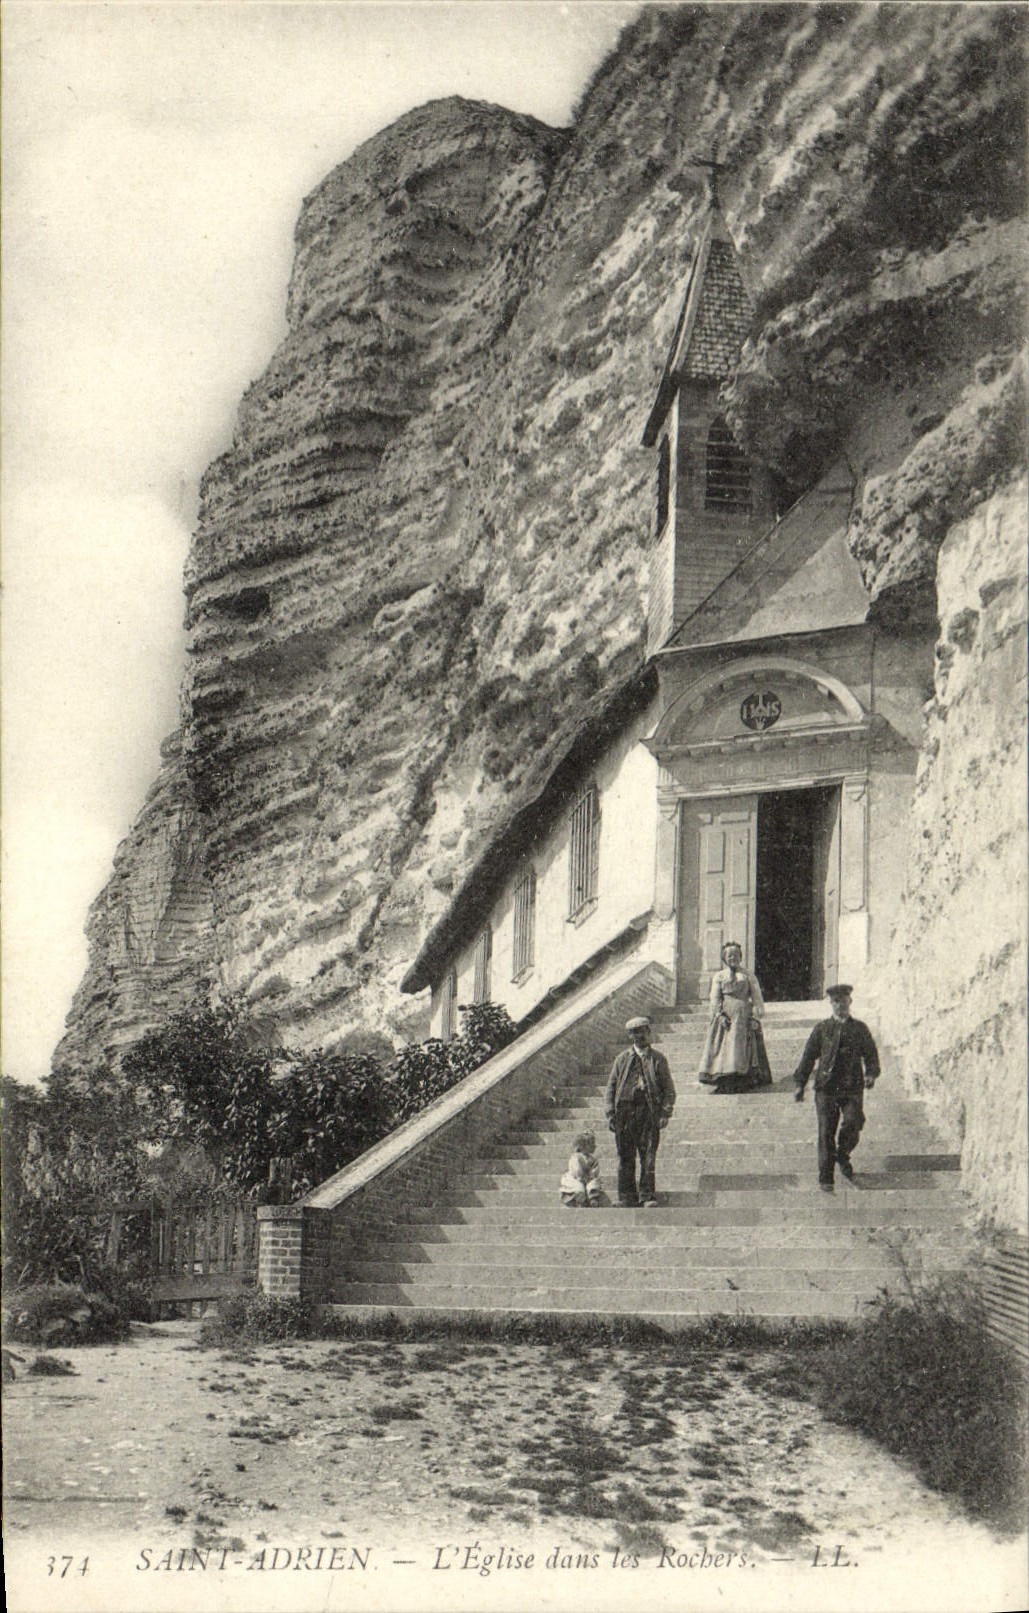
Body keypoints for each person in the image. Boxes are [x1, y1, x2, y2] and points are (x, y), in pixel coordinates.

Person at [793, 984, 880, 1192]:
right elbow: (808, 1057)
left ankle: (843, 1154)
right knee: (826, 1131)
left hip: (852, 1087)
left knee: (853, 1122)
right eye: (836, 1001)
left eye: (844, 1000)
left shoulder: (859, 1028)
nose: (840, 1005)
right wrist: (800, 1083)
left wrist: (871, 1074)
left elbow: (871, 1055)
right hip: (827, 1088)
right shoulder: (822, 1029)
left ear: (850, 1002)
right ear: (831, 1004)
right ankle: (826, 1179)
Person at [605, 1017, 676, 1207]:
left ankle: (647, 1196)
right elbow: (611, 1087)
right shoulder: (622, 1059)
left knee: (648, 1156)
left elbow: (669, 1090)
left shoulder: (658, 1059)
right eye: (635, 1033)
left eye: (643, 1031)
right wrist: (610, 1113)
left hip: (648, 1111)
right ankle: (626, 1197)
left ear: (648, 1032)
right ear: (630, 1036)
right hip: (625, 1112)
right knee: (625, 1156)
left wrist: (665, 1113)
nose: (640, 1036)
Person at [697, 941, 770, 1093]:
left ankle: (742, 1079)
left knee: (741, 1047)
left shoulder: (748, 975)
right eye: (730, 955)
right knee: (724, 1048)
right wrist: (719, 1015)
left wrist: (755, 1016)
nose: (733, 958)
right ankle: (724, 1080)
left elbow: (756, 996)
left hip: (744, 1016)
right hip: (726, 1016)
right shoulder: (719, 976)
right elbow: (715, 997)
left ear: (741, 957)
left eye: (736, 955)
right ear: (724, 958)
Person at [559, 1130, 602, 1208]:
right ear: (584, 1146)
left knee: (593, 1183)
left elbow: (595, 1169)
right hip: (576, 1177)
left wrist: (592, 1175)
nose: (595, 1146)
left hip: (588, 1177)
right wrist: (580, 1177)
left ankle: (593, 1198)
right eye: (592, 1144)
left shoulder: (593, 1159)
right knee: (578, 1187)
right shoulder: (576, 1157)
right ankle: (579, 1200)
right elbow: (575, 1169)